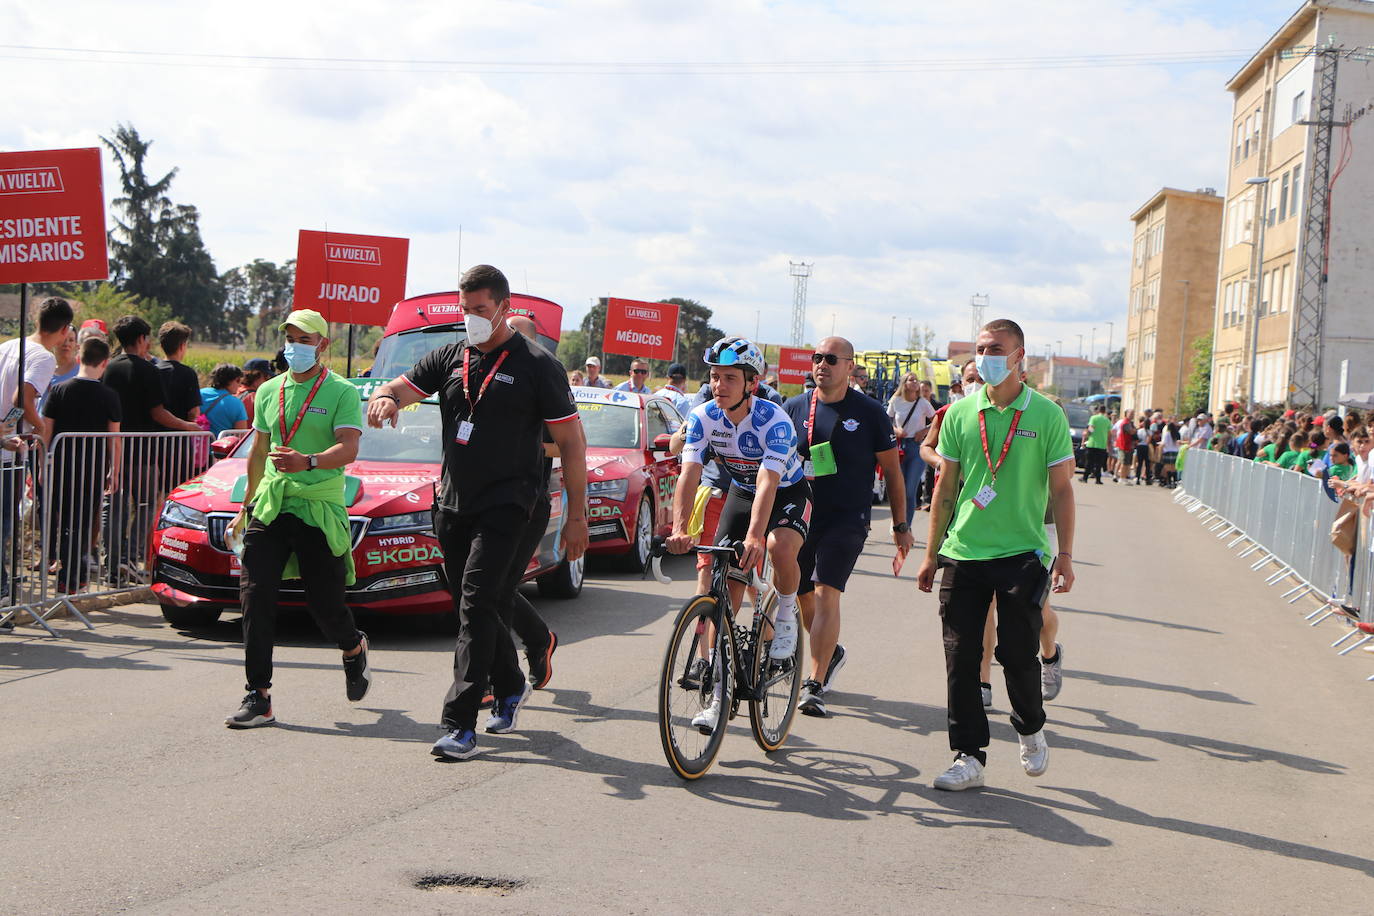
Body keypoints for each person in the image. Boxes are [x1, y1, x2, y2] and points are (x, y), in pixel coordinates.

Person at [367, 265, 588, 760]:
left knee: (475, 604)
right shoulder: (449, 356)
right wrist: (383, 400)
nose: (471, 319)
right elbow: (398, 388)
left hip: (510, 505)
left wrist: (577, 518)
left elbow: (573, 444)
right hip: (452, 503)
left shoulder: (536, 364)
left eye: (480, 310)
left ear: (504, 308)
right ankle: (510, 683)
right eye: (465, 310)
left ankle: (460, 723)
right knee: (478, 604)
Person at [917, 318, 1075, 792]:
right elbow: (945, 488)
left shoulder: (1046, 415)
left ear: (1018, 355)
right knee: (961, 656)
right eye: (981, 347)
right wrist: (930, 554)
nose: (985, 355)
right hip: (964, 550)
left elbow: (1063, 490)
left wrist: (1065, 553)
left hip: (1022, 552)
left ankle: (1029, 727)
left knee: (1015, 653)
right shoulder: (962, 413)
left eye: (995, 348)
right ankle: (969, 755)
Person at [223, 309, 371, 729]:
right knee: (255, 596)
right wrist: (246, 503)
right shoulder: (270, 390)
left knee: (324, 606)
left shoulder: (341, 391)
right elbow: (258, 451)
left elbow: (348, 449)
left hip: (317, 505)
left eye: (304, 339)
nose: (295, 345)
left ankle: (352, 647)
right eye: (290, 336)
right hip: (271, 504)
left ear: (322, 346)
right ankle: (259, 695)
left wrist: (306, 461)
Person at [667, 336, 810, 732]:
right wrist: (681, 528)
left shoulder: (773, 418)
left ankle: (784, 616)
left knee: (780, 547)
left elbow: (768, 482)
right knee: (723, 588)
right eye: (714, 377)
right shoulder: (703, 415)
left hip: (786, 492)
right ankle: (717, 692)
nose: (719, 385)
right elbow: (689, 473)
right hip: (741, 492)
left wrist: (755, 537)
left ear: (751, 382)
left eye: (730, 377)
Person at [785, 337, 910, 717]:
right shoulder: (792, 407)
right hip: (800, 514)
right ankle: (832, 651)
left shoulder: (870, 411)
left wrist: (901, 524)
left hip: (848, 518)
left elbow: (892, 471)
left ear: (850, 366)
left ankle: (814, 682)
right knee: (802, 594)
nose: (822, 364)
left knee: (826, 593)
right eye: (817, 358)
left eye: (831, 359)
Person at [102, 316, 200, 582]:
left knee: (116, 507)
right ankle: (130, 558)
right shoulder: (148, 370)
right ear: (142, 339)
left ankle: (113, 562)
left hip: (113, 448)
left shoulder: (109, 368)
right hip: (144, 452)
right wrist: (187, 426)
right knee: (145, 504)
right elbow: (158, 413)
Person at [0, 297, 73, 598]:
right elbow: (22, 400)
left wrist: (7, 424)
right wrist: (39, 428)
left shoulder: (7, 346)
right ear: (65, 329)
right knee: (4, 523)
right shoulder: (43, 357)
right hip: (9, 453)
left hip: (6, 443)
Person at [41, 337, 122, 594]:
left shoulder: (58, 390)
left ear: (79, 358)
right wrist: (114, 471)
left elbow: (46, 431)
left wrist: (44, 465)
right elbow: (115, 439)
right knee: (84, 523)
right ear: (105, 363)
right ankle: (75, 577)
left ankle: (67, 576)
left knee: (64, 521)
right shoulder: (110, 395)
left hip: (62, 466)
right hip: (93, 468)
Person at [887, 372, 935, 526]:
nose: (915, 382)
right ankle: (899, 523)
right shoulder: (896, 401)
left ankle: (905, 527)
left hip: (916, 448)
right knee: (898, 489)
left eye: (916, 380)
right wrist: (896, 430)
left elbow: (937, 420)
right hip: (898, 447)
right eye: (911, 379)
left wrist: (924, 430)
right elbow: (886, 421)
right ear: (904, 383)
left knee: (909, 490)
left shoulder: (922, 403)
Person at [155, 321, 202, 426]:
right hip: (181, 437)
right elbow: (194, 412)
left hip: (153, 437)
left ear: (162, 346)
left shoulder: (153, 371)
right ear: (182, 346)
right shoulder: (188, 374)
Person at [200, 364, 251, 436]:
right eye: (238, 380)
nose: (240, 385)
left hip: (196, 445)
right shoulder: (237, 404)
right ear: (230, 380)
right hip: (222, 446)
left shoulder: (199, 394)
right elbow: (241, 435)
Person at [37, 328, 78, 415]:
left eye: (71, 340)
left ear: (76, 345)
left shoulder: (80, 372)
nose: (66, 344)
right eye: (63, 339)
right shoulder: (43, 367)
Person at [1081, 402, 1110, 484]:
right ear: (1104, 411)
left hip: (1092, 443)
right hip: (1102, 445)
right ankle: (1098, 479)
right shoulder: (1107, 420)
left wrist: (1086, 436)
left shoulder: (1094, 418)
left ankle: (1085, 478)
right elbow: (1109, 433)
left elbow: (1091, 428)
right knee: (1099, 463)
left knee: (1089, 462)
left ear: (1098, 410)